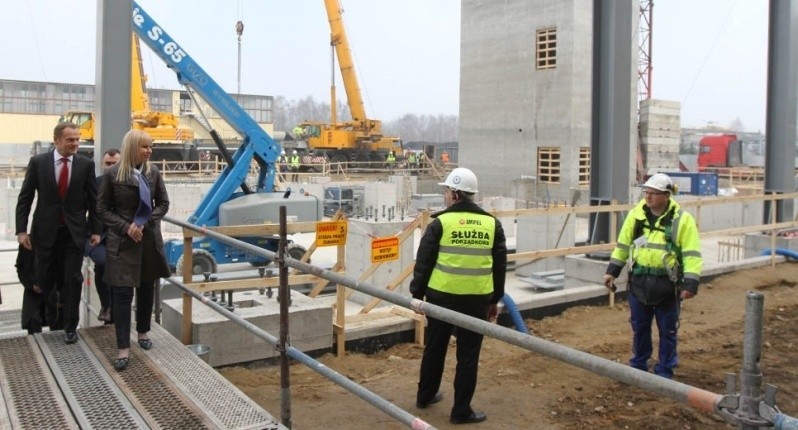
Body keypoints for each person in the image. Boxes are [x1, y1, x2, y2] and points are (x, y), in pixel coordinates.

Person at [410, 167, 507, 425]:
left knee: (435, 348)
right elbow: (499, 267)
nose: (444, 195)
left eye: (445, 191)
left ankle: (425, 395)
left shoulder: (440, 223)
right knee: (468, 356)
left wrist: (416, 295)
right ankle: (461, 410)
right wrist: (495, 300)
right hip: (476, 300)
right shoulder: (491, 224)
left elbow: (424, 262)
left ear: (454, 193)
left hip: (441, 298)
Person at [603, 173, 702, 379]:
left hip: (667, 286)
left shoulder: (682, 221)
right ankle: (639, 365)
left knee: (668, 330)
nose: (648, 197)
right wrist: (612, 271)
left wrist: (690, 284)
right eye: (646, 192)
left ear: (667, 195)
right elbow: (623, 245)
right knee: (640, 327)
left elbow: (691, 253)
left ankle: (664, 370)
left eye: (653, 194)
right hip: (639, 283)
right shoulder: (636, 216)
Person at [16, 122, 101, 345]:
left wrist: (95, 230)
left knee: (73, 279)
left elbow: (94, 201)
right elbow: (25, 198)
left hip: (73, 233)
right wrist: (21, 231)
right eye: (70, 140)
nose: (75, 143)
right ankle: (50, 319)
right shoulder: (38, 163)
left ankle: (70, 326)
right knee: (45, 279)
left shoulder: (85, 165)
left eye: (77, 139)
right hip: (44, 233)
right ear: (56, 140)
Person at [97, 130, 171, 371]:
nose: (149, 151)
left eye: (151, 147)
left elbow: (163, 203)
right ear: (131, 148)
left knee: (147, 289)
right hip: (122, 244)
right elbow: (102, 209)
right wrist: (127, 227)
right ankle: (123, 347)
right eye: (144, 147)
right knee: (121, 295)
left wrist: (145, 223)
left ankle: (143, 332)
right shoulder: (112, 175)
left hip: (147, 241)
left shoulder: (153, 172)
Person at [85, 148, 121, 323]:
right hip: (97, 237)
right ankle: (107, 305)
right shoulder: (94, 183)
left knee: (117, 269)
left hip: (120, 236)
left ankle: (113, 309)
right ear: (102, 164)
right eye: (108, 163)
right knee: (103, 263)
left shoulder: (129, 183)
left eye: (115, 163)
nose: (111, 167)